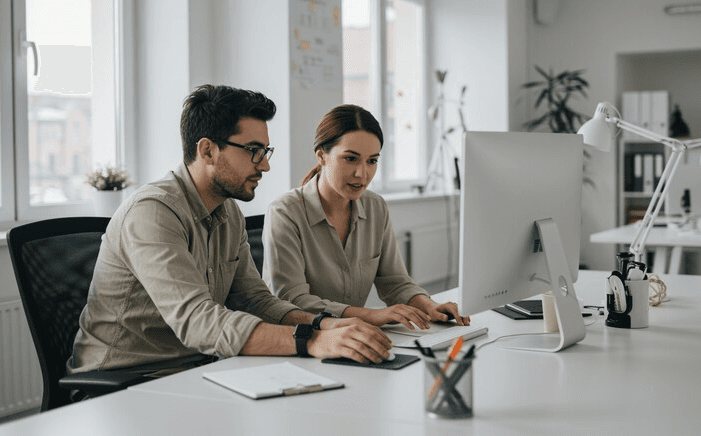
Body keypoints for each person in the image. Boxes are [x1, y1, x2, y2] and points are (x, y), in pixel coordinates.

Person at [67, 86, 392, 376]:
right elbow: (199, 322)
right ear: (208, 150)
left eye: (265, 152)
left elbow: (255, 300)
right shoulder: (152, 214)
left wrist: (323, 323)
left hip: (198, 367)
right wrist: (314, 341)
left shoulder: (227, 212)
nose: (264, 165)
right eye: (253, 150)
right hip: (128, 380)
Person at [262, 104, 470, 330]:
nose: (362, 174)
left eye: (372, 161)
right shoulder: (285, 212)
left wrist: (428, 306)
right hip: (296, 341)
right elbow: (292, 300)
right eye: (350, 159)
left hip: (351, 339)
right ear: (322, 156)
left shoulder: (375, 207)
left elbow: (396, 282)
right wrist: (373, 316)